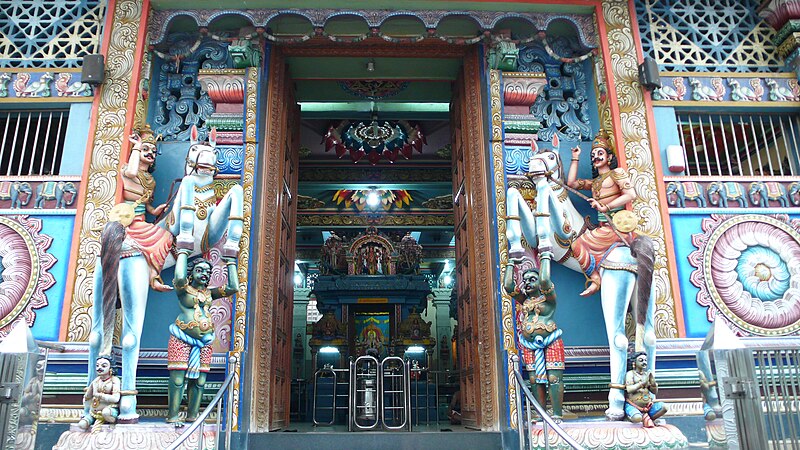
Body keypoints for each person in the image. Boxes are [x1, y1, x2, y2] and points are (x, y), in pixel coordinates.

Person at [167, 251, 238, 425]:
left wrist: (230, 263)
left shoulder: (209, 294)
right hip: (181, 338)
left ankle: (193, 415)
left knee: (200, 381)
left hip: (204, 343)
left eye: (208, 272)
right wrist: (183, 251)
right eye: (200, 270)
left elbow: (233, 288)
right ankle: (173, 416)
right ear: (191, 273)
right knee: (177, 380)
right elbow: (179, 276)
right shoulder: (183, 290)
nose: (204, 274)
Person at [566, 130, 638, 296]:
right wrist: (575, 158)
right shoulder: (595, 183)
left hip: (615, 227)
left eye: (600, 153)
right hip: (602, 226)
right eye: (593, 155)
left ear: (609, 157)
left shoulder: (616, 174)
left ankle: (595, 280)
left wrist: (606, 207)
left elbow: (630, 195)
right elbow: (570, 183)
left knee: (577, 245)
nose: (596, 157)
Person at [111, 124, 174, 292]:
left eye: (153, 151)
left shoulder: (150, 180)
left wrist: (156, 210)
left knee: (167, 238)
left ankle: (153, 277)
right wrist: (137, 147)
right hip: (128, 221)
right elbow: (131, 172)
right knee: (163, 236)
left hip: (141, 219)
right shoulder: (128, 170)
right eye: (146, 149)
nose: (150, 153)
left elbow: (147, 206)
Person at [503, 253, 565, 421]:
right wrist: (510, 263)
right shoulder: (525, 301)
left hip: (550, 341)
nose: (528, 282)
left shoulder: (549, 299)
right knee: (534, 380)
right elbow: (508, 287)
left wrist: (545, 257)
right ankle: (540, 413)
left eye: (532, 279)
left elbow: (545, 280)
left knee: (553, 377)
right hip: (529, 344)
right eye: (526, 280)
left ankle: (557, 414)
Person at [623, 351, 667, 427]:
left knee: (664, 407)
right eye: (641, 360)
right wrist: (642, 383)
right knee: (637, 418)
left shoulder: (646, 374)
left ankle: (649, 418)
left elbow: (654, 392)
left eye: (645, 360)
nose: (644, 362)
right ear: (634, 363)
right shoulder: (630, 374)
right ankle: (641, 418)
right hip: (634, 406)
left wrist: (653, 384)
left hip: (648, 407)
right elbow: (629, 389)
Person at [78, 356, 120, 431]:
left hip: (109, 411)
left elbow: (116, 398)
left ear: (111, 368)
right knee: (81, 425)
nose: (99, 368)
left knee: (106, 413)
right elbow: (88, 396)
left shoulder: (114, 380)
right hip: (93, 412)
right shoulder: (96, 381)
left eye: (103, 366)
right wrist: (89, 392)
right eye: (97, 365)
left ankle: (110, 422)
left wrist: (98, 395)